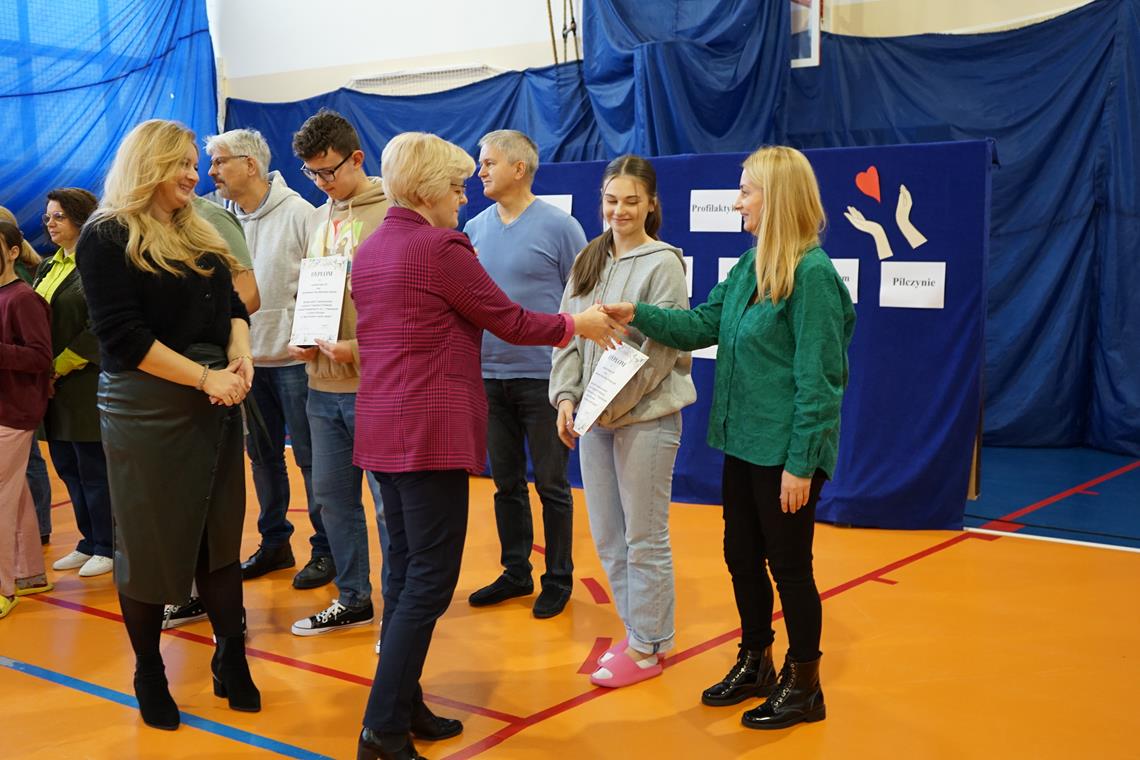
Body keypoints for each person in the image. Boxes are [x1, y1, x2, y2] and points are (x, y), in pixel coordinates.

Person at [351, 131, 622, 760]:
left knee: (405, 572)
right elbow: (509, 319)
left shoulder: (372, 248)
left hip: (382, 427)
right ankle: (381, 728)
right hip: (429, 432)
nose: (462, 196)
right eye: (454, 186)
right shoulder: (441, 246)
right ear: (426, 189)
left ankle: (404, 704)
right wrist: (576, 324)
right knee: (429, 579)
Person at [603, 145, 855, 729]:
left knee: (790, 567)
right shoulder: (750, 266)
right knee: (741, 556)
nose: (738, 202)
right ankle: (756, 661)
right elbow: (701, 325)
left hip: (785, 452)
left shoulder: (813, 276)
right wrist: (637, 312)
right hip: (743, 443)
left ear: (777, 198)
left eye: (746, 191)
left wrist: (801, 463)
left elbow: (820, 381)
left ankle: (805, 684)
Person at [76, 119, 260, 731]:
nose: (193, 174)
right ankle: (149, 672)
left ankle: (231, 658)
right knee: (150, 545)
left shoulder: (200, 228)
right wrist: (206, 378)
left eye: (194, 163)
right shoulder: (106, 235)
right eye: (181, 163)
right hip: (147, 409)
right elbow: (123, 338)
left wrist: (240, 355)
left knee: (219, 539)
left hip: (214, 399)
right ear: (148, 165)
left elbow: (234, 306)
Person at [550, 155, 695, 689]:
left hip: (645, 421)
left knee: (645, 537)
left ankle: (648, 645)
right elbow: (569, 333)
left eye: (632, 201)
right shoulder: (588, 258)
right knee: (609, 537)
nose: (620, 211)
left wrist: (608, 408)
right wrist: (568, 398)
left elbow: (660, 349)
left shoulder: (664, 264)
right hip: (595, 422)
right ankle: (642, 635)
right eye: (612, 200)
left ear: (651, 204)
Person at [463, 130, 586, 619]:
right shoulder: (474, 228)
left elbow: (582, 300)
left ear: (519, 168)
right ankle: (516, 572)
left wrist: (573, 381)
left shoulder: (560, 226)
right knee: (506, 483)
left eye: (489, 162)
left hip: (544, 380)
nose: (480, 171)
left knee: (552, 485)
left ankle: (558, 579)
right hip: (489, 377)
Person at [204, 128, 324, 600]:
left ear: (250, 165)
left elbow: (320, 283)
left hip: (295, 363)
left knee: (312, 461)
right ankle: (275, 543)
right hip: (246, 363)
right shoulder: (217, 220)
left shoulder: (301, 214)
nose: (211, 172)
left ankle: (326, 548)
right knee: (263, 459)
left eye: (220, 162)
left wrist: (306, 340)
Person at [287, 109, 391, 638]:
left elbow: (407, 313)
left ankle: (400, 613)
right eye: (311, 173)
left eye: (328, 170)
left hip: (375, 386)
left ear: (357, 159)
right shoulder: (317, 218)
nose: (322, 182)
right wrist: (304, 335)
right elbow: (311, 290)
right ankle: (354, 599)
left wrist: (359, 349)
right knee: (331, 499)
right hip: (321, 385)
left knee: (390, 508)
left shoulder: (394, 214)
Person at [33, 188, 113, 578]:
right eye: (47, 217)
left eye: (59, 217)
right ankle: (88, 541)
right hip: (52, 385)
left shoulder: (98, 263)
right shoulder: (48, 266)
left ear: (81, 219)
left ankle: (109, 545)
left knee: (93, 467)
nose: (50, 223)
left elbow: (99, 327)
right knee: (67, 465)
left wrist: (59, 365)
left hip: (85, 380)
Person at [0, 220, 53, 620]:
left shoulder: (22, 298)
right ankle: (29, 572)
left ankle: (3, 588)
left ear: (13, 251)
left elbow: (40, 357)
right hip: (6, 408)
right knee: (13, 496)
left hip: (14, 412)